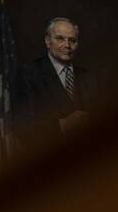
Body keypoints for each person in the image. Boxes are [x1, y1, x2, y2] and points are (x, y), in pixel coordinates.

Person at [10, 17, 99, 153]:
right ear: (47, 41)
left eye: (72, 40)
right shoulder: (28, 73)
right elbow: (21, 126)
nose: (67, 45)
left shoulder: (89, 77)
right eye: (60, 39)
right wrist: (61, 126)